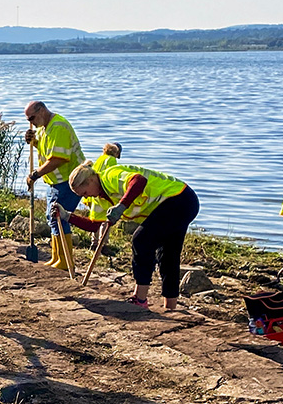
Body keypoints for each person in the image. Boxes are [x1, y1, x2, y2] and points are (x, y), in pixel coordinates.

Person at [56, 162, 199, 310]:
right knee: (168, 254)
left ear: (91, 180)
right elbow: (93, 225)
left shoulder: (110, 175)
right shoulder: (98, 199)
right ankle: (171, 307)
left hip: (179, 198)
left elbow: (139, 180)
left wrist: (121, 206)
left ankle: (140, 298)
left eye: (85, 193)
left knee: (141, 241)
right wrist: (67, 216)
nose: (87, 197)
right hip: (179, 202)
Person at [24, 100, 85, 270]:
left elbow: (58, 158)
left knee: (59, 217)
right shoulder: (44, 128)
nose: (31, 122)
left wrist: (36, 174)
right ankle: (57, 257)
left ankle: (65, 261)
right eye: (28, 119)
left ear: (42, 110)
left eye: (32, 117)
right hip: (56, 182)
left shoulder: (58, 127)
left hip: (69, 181)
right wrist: (34, 142)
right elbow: (47, 149)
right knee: (52, 217)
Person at [80, 142, 122, 249]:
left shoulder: (100, 159)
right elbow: (112, 174)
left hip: (93, 194)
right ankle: (102, 245)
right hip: (102, 194)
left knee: (95, 220)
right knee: (106, 221)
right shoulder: (111, 160)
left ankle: (94, 244)